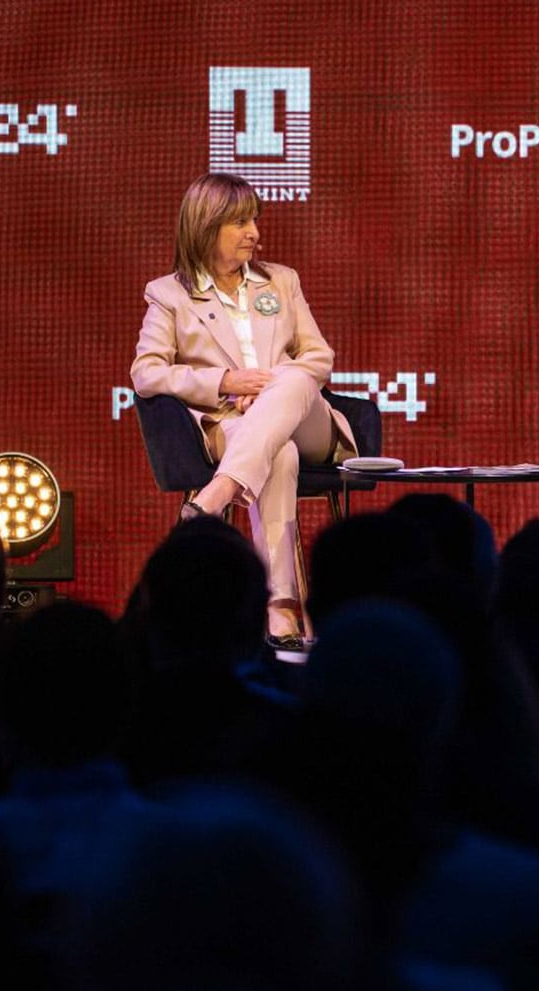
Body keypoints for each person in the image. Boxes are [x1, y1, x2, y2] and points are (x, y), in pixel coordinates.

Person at [130, 173, 356, 648]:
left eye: (254, 220)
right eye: (240, 222)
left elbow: (318, 358)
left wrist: (271, 387)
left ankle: (218, 493)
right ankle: (280, 609)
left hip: (309, 423)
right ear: (206, 227)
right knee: (280, 457)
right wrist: (224, 383)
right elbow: (147, 372)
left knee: (294, 378)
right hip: (231, 424)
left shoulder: (281, 281)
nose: (254, 232)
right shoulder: (169, 294)